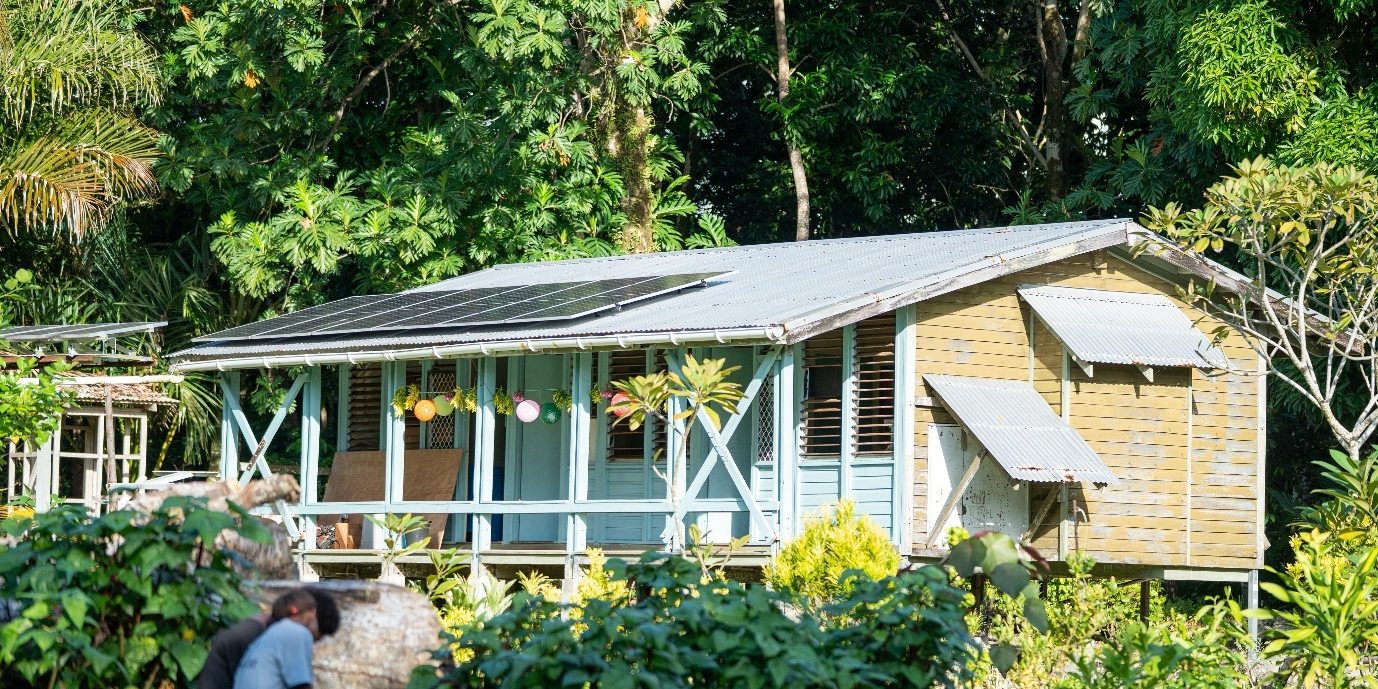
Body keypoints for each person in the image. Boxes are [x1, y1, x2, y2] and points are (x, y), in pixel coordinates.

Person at [200, 589, 339, 689]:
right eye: (314, 638)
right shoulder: (254, 635)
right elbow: (301, 684)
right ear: (311, 615)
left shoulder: (265, 635)